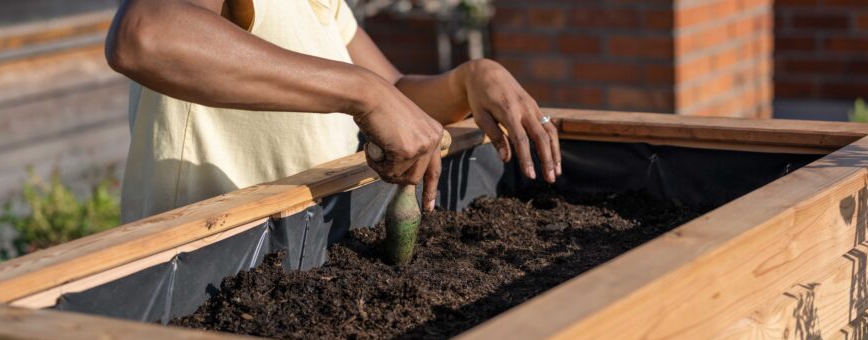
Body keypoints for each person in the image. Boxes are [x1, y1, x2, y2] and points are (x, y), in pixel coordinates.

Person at [106, 0, 561, 222]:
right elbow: (147, 36)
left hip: (303, 247)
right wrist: (363, 93)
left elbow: (394, 92)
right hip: (203, 259)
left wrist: (469, 80)